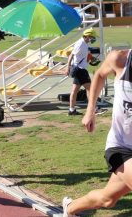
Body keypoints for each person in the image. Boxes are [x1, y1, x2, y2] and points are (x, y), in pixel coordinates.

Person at [62, 49, 132, 217]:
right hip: (121, 146)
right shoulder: (120, 59)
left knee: (107, 199)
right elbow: (100, 75)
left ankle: (70, 208)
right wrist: (90, 111)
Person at [66, 28, 104, 116]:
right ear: (87, 36)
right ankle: (94, 109)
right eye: (92, 37)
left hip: (78, 69)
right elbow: (71, 55)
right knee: (90, 89)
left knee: (74, 91)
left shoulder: (83, 43)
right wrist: (67, 67)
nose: (93, 39)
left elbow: (82, 55)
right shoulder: (81, 44)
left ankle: (71, 110)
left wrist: (91, 58)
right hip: (81, 70)